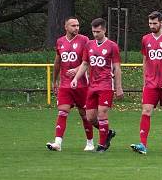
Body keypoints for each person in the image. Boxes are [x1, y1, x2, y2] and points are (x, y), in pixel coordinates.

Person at [130, 11, 162, 155]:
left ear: (161, 23)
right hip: (151, 84)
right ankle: (143, 145)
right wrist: (145, 81)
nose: (152, 26)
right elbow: (145, 60)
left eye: (155, 23)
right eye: (150, 23)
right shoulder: (145, 39)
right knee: (146, 111)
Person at [71, 17, 123, 152]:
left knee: (102, 114)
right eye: (93, 31)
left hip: (106, 85)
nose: (95, 34)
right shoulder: (89, 45)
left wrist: (119, 87)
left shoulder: (112, 46)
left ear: (104, 30)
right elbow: (84, 64)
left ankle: (101, 145)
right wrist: (76, 78)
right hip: (92, 86)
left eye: (98, 31)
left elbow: (117, 68)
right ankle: (107, 133)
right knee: (90, 117)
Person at [46, 17, 94, 151]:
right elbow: (57, 62)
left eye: (78, 25)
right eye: (73, 25)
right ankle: (58, 143)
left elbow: (89, 60)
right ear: (66, 27)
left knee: (84, 114)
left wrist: (78, 69)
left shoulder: (84, 40)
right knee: (62, 112)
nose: (76, 28)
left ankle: (90, 142)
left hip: (82, 85)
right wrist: (54, 80)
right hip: (65, 85)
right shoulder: (60, 42)